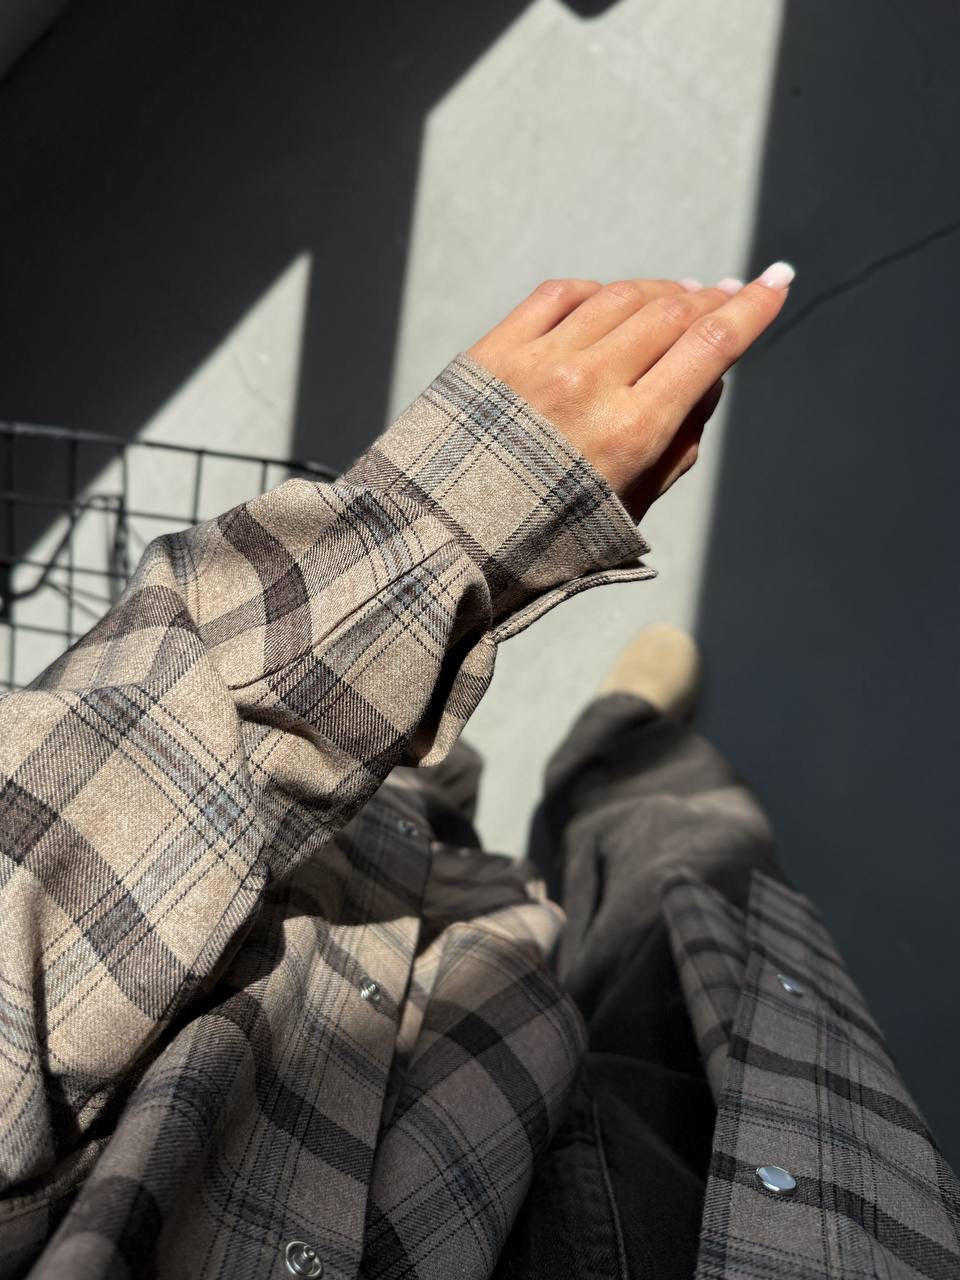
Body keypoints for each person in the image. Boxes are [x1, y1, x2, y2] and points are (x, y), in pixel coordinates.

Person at [0, 264, 955, 1280]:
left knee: (414, 793)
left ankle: (599, 748)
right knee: (691, 882)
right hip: (687, 1221)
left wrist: (452, 518)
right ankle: (616, 746)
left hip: (312, 965)